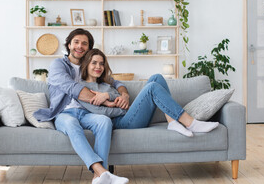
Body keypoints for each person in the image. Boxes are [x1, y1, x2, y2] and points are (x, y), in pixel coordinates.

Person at [34, 29, 129, 184]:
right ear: (69, 44)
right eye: (76, 42)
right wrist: (104, 100)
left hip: (87, 113)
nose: (79, 46)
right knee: (71, 124)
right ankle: (102, 171)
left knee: (104, 121)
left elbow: (115, 81)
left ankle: (97, 181)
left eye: (84, 43)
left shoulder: (91, 66)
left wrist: (124, 94)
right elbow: (72, 87)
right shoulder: (58, 65)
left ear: (89, 47)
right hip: (64, 113)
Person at [78, 49, 219, 137]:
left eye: (101, 64)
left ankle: (172, 122)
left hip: (129, 113)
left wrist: (110, 96)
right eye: (94, 63)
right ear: (86, 64)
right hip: (121, 122)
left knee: (156, 77)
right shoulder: (82, 88)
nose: (99, 67)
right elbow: (101, 112)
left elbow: (119, 89)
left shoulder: (105, 82)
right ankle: (190, 123)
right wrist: (119, 108)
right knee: (151, 87)